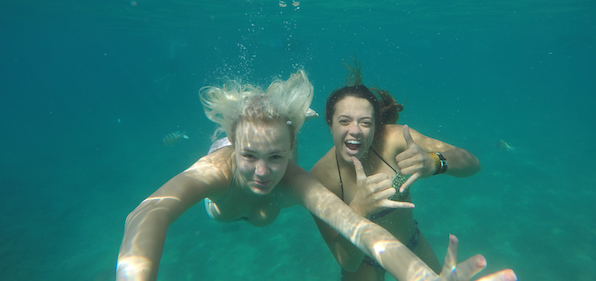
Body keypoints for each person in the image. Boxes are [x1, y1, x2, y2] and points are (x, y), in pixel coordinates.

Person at [116, 70, 515, 281]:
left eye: (276, 156)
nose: (261, 172)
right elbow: (147, 213)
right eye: (249, 155)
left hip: (400, 239)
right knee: (258, 196)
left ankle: (285, 122)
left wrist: (423, 277)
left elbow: (361, 230)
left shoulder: (297, 178)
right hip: (229, 201)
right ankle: (250, 128)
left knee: (270, 201)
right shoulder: (221, 170)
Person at [310, 63, 484, 281]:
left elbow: (472, 163)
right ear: (330, 124)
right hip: (362, 263)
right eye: (344, 121)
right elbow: (346, 260)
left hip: (411, 245)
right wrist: (358, 209)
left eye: (365, 123)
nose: (355, 130)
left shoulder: (394, 139)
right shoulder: (320, 178)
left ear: (376, 126)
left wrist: (434, 162)